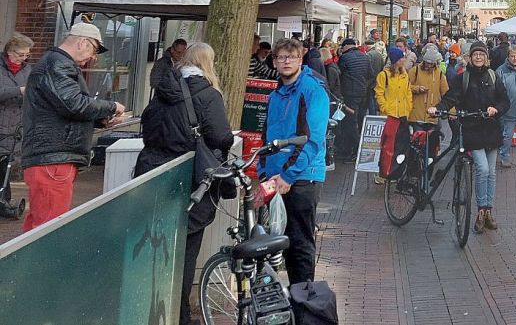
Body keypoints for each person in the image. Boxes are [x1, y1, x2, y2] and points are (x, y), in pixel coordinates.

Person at [133, 43, 234, 325]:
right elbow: (222, 137)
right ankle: (179, 315)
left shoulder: (162, 90)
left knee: (155, 244)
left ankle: (148, 307)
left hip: (152, 173)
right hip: (190, 179)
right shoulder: (208, 94)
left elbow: (148, 128)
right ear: (208, 63)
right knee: (186, 250)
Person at [21, 23, 124, 231]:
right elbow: (74, 104)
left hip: (52, 156)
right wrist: (111, 106)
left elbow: (65, 107)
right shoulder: (58, 65)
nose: (93, 57)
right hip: (53, 158)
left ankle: (32, 263)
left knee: (40, 225)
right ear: (82, 42)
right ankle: (44, 264)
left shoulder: (56, 64)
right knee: (49, 228)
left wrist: (101, 119)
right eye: (94, 50)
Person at [258, 38, 329, 286]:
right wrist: (264, 173)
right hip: (276, 179)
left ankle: (304, 301)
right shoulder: (275, 95)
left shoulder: (312, 90)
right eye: (281, 57)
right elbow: (268, 136)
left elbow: (313, 139)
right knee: (282, 242)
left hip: (302, 178)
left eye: (292, 57)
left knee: (300, 245)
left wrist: (288, 175)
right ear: (274, 62)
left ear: (301, 60)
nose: (286, 61)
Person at [429, 41, 510, 234]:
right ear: (470, 57)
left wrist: (496, 109)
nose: (479, 58)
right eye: (475, 55)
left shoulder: (493, 76)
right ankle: (481, 210)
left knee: (491, 172)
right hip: (472, 128)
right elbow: (451, 98)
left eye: (482, 54)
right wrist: (438, 109)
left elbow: (504, 100)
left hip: (491, 129)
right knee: (482, 169)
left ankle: (488, 211)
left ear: (486, 57)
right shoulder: (463, 78)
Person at [375, 47, 412, 185]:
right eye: (402, 58)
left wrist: (408, 108)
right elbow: (379, 93)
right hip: (390, 115)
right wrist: (385, 108)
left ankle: (396, 172)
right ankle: (383, 173)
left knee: (400, 145)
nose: (404, 59)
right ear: (396, 60)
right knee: (387, 145)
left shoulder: (404, 75)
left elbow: (408, 92)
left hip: (402, 115)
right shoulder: (383, 75)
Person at [0, 33, 33, 188]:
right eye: (21, 54)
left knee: (6, 167)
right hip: (2, 121)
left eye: (27, 55)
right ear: (9, 52)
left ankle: (4, 202)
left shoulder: (28, 70)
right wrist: (19, 90)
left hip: (16, 125)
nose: (24, 58)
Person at [337, 38, 370, 164]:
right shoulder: (365, 57)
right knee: (358, 123)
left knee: (349, 124)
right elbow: (370, 74)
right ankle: (352, 150)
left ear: (346, 46)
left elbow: (340, 74)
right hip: (363, 94)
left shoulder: (345, 58)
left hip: (350, 95)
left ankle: (354, 152)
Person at [408, 47, 449, 124]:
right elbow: (406, 87)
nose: (429, 65)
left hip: (432, 115)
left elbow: (446, 92)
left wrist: (451, 110)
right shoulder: (415, 70)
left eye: (431, 64)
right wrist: (418, 88)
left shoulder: (439, 73)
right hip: (416, 115)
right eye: (427, 63)